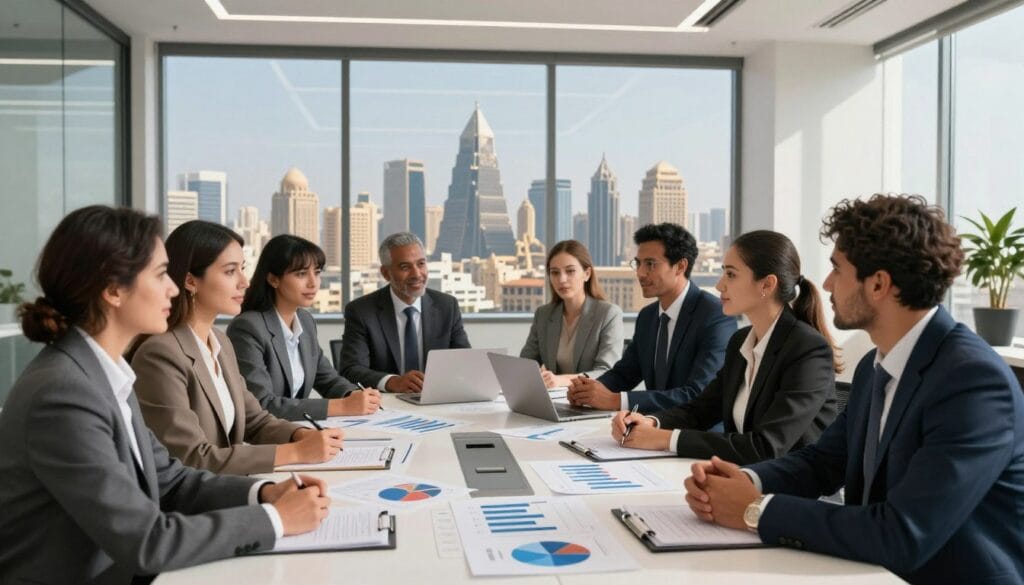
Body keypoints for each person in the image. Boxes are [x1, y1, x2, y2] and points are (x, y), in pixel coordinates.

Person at [683, 195, 1024, 585]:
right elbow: (823, 462)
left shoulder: (972, 382)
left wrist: (756, 509)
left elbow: (902, 534)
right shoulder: (874, 367)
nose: (827, 283)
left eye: (836, 269)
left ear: (878, 284)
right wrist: (747, 481)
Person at [0, 206, 330, 584]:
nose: (173, 288)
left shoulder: (103, 374)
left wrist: (265, 493)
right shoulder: (63, 395)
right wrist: (276, 519)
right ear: (113, 290)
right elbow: (146, 542)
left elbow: (172, 480)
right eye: (160, 275)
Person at [131, 221, 344, 475]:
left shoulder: (221, 343)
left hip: (229, 483)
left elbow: (255, 420)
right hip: (198, 494)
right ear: (190, 280)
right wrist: (296, 452)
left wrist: (300, 434)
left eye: (242, 269)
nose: (245, 282)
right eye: (230, 271)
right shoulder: (161, 354)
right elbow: (192, 458)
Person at [610, 230, 839, 464]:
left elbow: (766, 446)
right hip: (742, 474)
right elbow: (701, 410)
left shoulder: (808, 350)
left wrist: (665, 439)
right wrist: (651, 422)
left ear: (767, 284)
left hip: (790, 483)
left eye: (731, 274)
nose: (720, 285)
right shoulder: (740, 341)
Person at [568, 223, 736, 412]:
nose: (640, 273)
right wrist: (585, 390)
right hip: (651, 424)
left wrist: (616, 400)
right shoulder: (647, 317)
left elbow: (697, 394)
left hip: (695, 428)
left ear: (680, 266)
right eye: (638, 263)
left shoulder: (715, 316)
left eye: (650, 264)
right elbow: (624, 374)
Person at [227, 234, 380, 421]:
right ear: (273, 279)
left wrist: (354, 395)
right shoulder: (248, 328)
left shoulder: (305, 321)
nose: (313, 283)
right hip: (265, 434)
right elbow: (262, 404)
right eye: (301, 274)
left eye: (317, 272)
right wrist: (342, 406)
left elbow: (327, 379)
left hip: (298, 428)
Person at [340, 232, 470, 393]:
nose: (416, 274)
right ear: (386, 273)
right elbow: (351, 369)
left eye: (421, 264)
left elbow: (465, 361)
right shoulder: (361, 311)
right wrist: (392, 382)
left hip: (437, 399)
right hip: (386, 402)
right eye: (405, 267)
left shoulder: (447, 306)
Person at [520, 240, 623, 387]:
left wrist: (561, 380)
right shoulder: (543, 314)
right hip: (554, 397)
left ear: (587, 274)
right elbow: (526, 364)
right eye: (555, 272)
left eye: (570, 271)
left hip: (590, 399)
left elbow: (606, 372)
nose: (562, 279)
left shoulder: (608, 314)